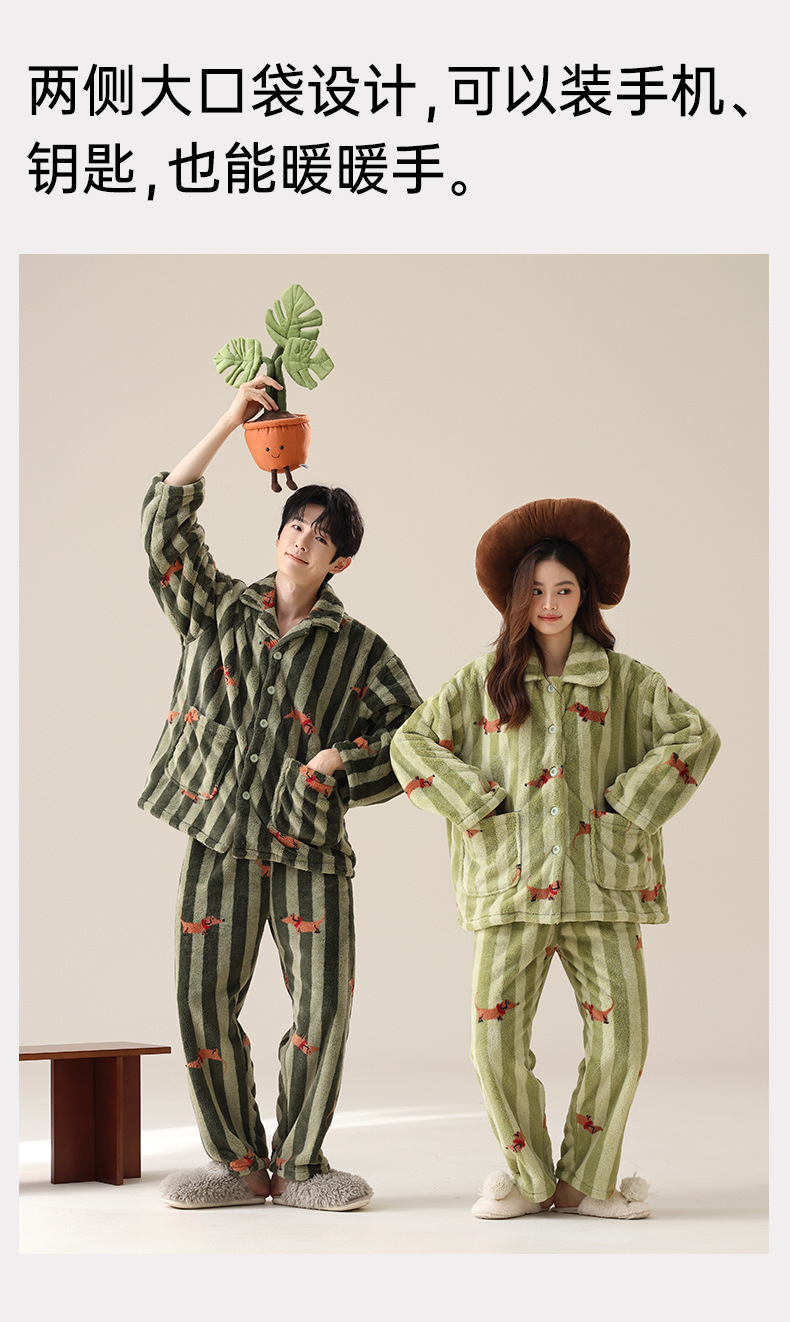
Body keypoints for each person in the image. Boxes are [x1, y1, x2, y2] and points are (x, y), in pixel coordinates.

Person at [390, 497, 720, 1221]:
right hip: (510, 885)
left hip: (602, 884)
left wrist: (628, 807)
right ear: (517, 597)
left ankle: (587, 1183)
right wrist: (478, 804)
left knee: (622, 1040)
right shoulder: (483, 681)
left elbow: (696, 737)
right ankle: (531, 1180)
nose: (549, 603)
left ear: (584, 595)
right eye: (536, 590)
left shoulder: (627, 681)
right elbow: (409, 745)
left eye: (564, 589)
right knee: (493, 1045)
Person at [139, 374, 421, 1212]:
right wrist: (231, 421)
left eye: (320, 536)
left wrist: (341, 763)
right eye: (295, 525)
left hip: (309, 846)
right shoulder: (217, 610)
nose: (302, 540)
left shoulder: (362, 651)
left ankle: (300, 1167)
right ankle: (236, 1164)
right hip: (218, 831)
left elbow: (417, 742)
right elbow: (165, 527)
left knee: (321, 1007)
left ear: (342, 560)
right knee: (201, 999)